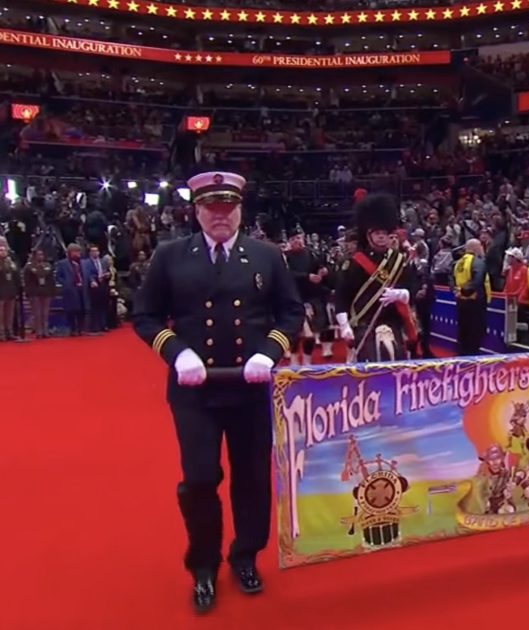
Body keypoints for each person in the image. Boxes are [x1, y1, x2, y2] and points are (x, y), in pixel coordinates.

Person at [132, 171, 304, 614]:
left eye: (228, 207)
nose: (220, 216)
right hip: (195, 393)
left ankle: (246, 555)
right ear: (197, 210)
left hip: (250, 390)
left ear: (241, 210)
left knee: (251, 477)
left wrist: (270, 353)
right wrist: (177, 352)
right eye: (212, 207)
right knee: (201, 478)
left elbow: (290, 313)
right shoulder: (171, 256)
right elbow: (146, 316)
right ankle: (203, 564)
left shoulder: (266, 256)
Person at [334, 193, 419, 362]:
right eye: (377, 232)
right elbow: (342, 296)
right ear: (369, 235)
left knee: (398, 362)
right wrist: (344, 325)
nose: (381, 236)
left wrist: (402, 294)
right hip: (364, 322)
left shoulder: (399, 261)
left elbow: (412, 287)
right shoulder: (355, 263)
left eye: (385, 233)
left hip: (393, 321)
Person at [284, 227, 329, 367]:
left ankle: (308, 361)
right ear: (290, 242)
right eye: (294, 239)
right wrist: (306, 277)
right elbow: (287, 274)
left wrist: (323, 271)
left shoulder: (311, 254)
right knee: (297, 332)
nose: (297, 241)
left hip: (312, 296)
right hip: (293, 297)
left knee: (315, 330)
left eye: (299, 238)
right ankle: (294, 358)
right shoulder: (285, 257)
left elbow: (320, 267)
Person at [451, 238, 490, 356]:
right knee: (474, 336)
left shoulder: (458, 263)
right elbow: (478, 281)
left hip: (461, 303)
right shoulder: (477, 262)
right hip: (474, 304)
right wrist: (465, 291)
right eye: (481, 247)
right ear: (475, 248)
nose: (482, 249)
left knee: (463, 334)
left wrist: (457, 291)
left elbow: (451, 280)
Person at [22, 249, 57, 339]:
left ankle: (45, 330)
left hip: (46, 292)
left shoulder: (48, 265)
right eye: (38, 255)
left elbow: (51, 280)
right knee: (37, 313)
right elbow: (32, 277)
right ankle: (39, 331)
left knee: (45, 313)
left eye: (42, 255)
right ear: (34, 256)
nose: (40, 256)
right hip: (34, 292)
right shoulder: (29, 266)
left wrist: (52, 292)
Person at [55, 243, 88, 336]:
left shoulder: (83, 262)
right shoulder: (62, 263)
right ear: (70, 253)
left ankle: (81, 328)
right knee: (71, 310)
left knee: (82, 309)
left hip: (82, 288)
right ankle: (73, 329)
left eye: (79, 251)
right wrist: (65, 283)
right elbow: (58, 277)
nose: (78, 254)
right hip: (70, 290)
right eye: (75, 252)